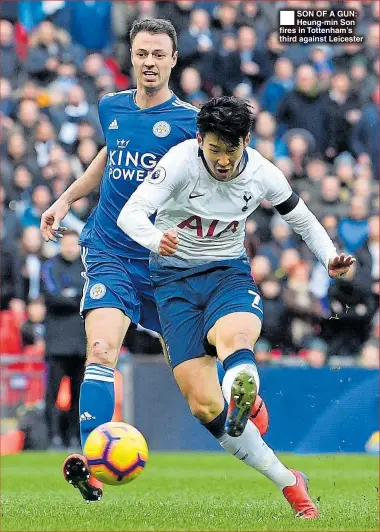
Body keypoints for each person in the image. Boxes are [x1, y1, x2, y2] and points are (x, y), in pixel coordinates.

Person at [117, 96, 355, 518]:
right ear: (199, 140)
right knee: (205, 406)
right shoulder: (178, 164)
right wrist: (156, 240)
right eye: (214, 149)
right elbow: (130, 214)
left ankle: (243, 392)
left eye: (232, 149)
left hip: (228, 272)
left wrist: (329, 257)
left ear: (245, 140)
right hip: (173, 282)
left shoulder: (262, 171)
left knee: (234, 336)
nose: (223, 160)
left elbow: (300, 218)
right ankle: (289, 480)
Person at [40, 19, 199, 501]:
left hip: (160, 259)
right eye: (141, 53)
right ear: (131, 57)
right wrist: (65, 200)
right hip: (108, 250)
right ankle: (90, 461)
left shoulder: (192, 121)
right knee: (102, 351)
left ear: (173, 60)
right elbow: (110, 157)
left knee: (193, 372)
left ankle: (245, 409)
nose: (149, 62)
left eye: (158, 54)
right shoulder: (111, 106)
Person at [41, 230, 85, 450]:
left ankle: (74, 438)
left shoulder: (87, 267)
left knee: (78, 395)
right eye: (66, 244)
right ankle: (53, 438)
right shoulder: (50, 266)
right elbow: (52, 296)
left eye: (73, 244)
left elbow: (90, 294)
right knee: (53, 394)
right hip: (57, 344)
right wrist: (76, 298)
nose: (70, 248)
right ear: (60, 245)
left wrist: (71, 295)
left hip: (80, 344)